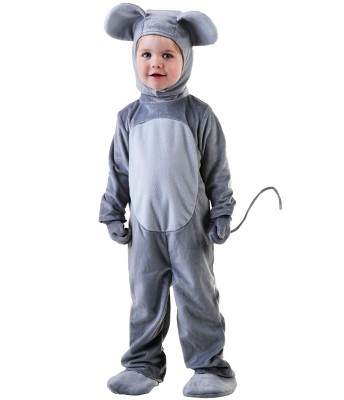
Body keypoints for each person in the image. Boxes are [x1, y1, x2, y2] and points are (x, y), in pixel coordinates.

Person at [99, 3, 237, 397]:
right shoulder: (128, 118)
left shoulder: (200, 115)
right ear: (134, 58)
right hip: (144, 229)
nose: (155, 63)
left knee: (197, 294)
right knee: (144, 298)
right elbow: (119, 170)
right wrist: (112, 212)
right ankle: (143, 364)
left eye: (167, 55)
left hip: (190, 229)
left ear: (186, 58)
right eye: (146, 53)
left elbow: (217, 170)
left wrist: (222, 212)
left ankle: (210, 367)